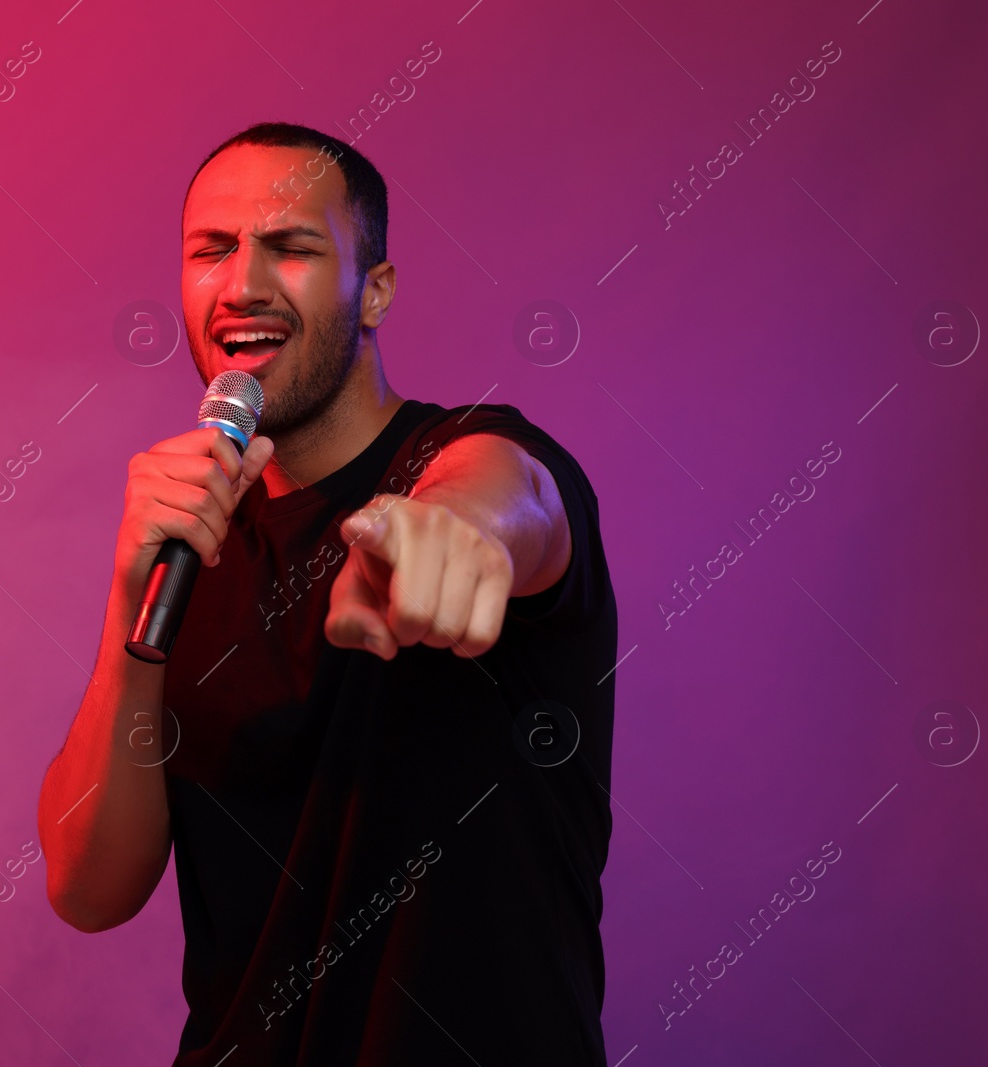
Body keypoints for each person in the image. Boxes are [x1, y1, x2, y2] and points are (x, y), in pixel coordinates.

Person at [38, 121, 617, 1065]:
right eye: (211, 251)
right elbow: (89, 890)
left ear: (374, 290)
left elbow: (511, 496)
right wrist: (128, 612)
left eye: (291, 248)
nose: (242, 285)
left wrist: (447, 535)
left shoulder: (469, 456)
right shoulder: (194, 545)